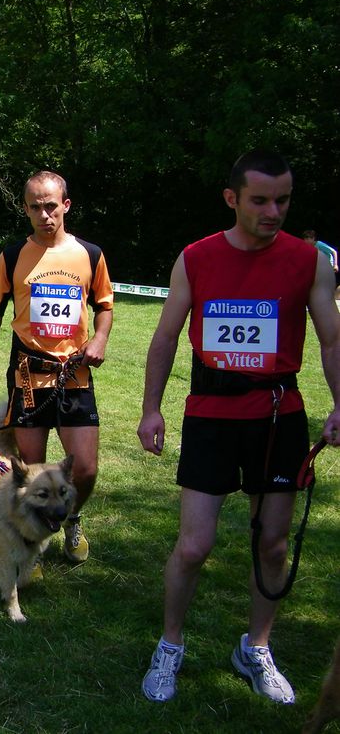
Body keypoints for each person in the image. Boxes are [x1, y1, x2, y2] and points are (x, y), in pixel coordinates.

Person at [137, 150, 340, 705]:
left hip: (279, 417)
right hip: (210, 413)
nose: (274, 211)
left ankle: (255, 647)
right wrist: (151, 408)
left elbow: (332, 339)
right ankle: (170, 644)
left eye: (283, 200)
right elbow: (165, 338)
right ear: (232, 199)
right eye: (261, 200)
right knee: (194, 545)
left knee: (271, 545)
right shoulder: (197, 257)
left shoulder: (310, 261)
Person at [0, 170, 113, 568]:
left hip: (75, 376)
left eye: (51, 205)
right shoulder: (11, 257)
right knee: (30, 472)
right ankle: (30, 544)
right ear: (25, 209)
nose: (44, 214)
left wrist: (99, 340)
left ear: (66, 205)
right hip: (29, 378)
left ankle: (72, 518)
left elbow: (105, 307)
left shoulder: (90, 254)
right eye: (35, 207)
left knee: (86, 468)